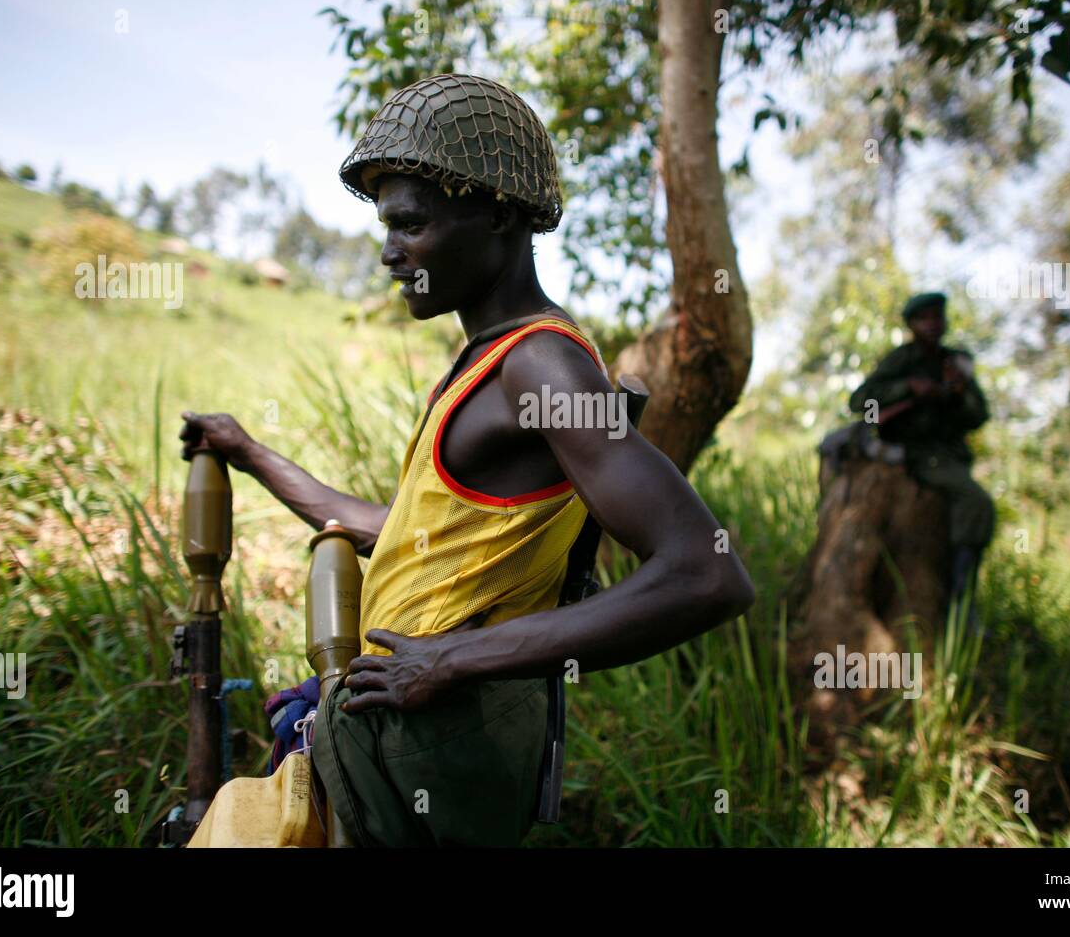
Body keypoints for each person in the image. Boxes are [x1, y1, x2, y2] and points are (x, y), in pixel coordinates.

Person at [178, 73, 754, 846]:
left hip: (442, 738)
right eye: (385, 226)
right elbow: (399, 532)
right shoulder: (483, 363)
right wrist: (248, 452)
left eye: (410, 225)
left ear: (496, 213)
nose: (389, 253)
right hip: (405, 719)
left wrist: (450, 660)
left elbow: (705, 572)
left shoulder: (540, 366)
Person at [848, 291, 994, 621]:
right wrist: (908, 388)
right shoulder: (902, 361)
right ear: (912, 324)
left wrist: (958, 392)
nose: (932, 325)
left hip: (948, 455)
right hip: (914, 454)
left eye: (937, 317)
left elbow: (979, 415)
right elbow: (860, 403)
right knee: (977, 502)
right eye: (924, 318)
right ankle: (962, 607)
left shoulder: (955, 362)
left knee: (968, 504)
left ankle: (961, 596)